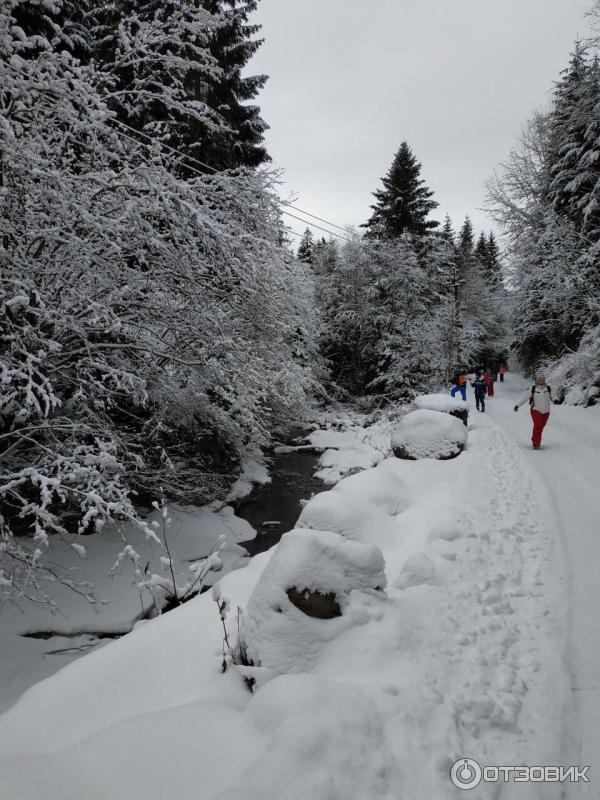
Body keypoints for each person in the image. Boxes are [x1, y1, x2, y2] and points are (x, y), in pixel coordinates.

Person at [514, 374, 553, 449]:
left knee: (541, 427)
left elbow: (554, 398)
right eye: (540, 379)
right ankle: (535, 443)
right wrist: (517, 405)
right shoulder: (533, 388)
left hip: (546, 411)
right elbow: (524, 398)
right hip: (536, 410)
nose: (541, 381)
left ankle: (537, 440)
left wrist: (559, 400)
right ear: (537, 380)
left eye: (542, 379)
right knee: (537, 426)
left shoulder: (548, 388)